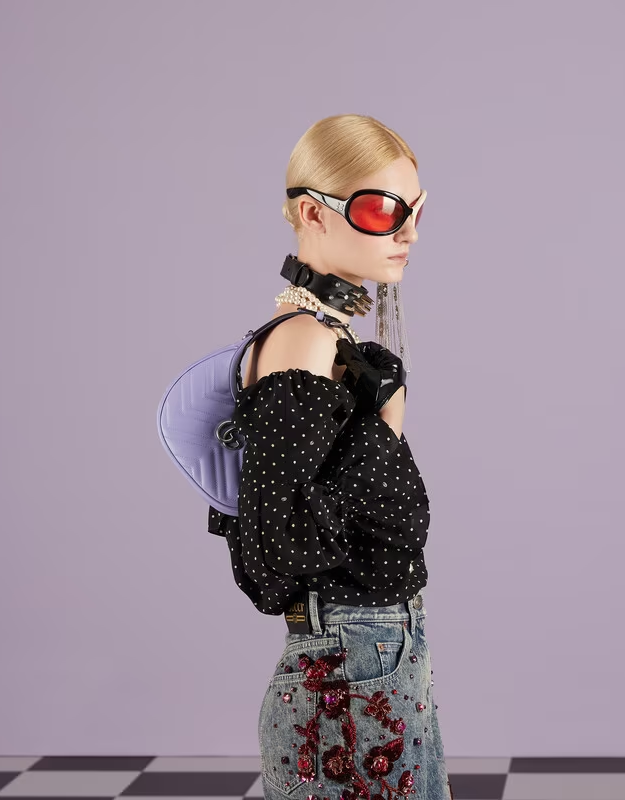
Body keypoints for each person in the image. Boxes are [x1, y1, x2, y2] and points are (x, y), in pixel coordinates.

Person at [207, 114, 453, 800]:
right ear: (313, 213)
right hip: (349, 662)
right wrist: (385, 433)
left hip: (377, 653)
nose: (407, 231)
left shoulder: (330, 341)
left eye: (417, 210)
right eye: (382, 209)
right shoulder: (305, 342)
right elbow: (276, 543)